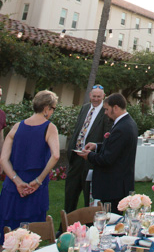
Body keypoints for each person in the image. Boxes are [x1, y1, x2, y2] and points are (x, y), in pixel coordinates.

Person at [0, 91, 61, 244]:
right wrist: (39, 180)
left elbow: (3, 159)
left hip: (14, 186)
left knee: (6, 233)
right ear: (47, 108)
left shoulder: (17, 126)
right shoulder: (49, 127)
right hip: (34, 187)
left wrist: (16, 180)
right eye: (54, 108)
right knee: (30, 235)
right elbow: (56, 156)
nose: (53, 112)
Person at [81, 92, 138, 214]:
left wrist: (89, 156)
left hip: (114, 185)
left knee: (112, 220)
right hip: (119, 182)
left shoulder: (122, 127)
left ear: (115, 107)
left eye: (107, 109)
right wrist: (96, 146)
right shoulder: (127, 122)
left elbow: (107, 158)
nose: (105, 113)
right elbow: (115, 147)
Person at [64, 85, 110, 213]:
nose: (95, 99)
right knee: (70, 193)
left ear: (103, 97)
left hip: (91, 159)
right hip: (76, 157)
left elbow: (106, 136)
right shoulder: (84, 108)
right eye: (94, 96)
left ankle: (89, 227)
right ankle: (65, 225)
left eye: (98, 97)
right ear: (90, 96)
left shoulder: (105, 113)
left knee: (88, 196)